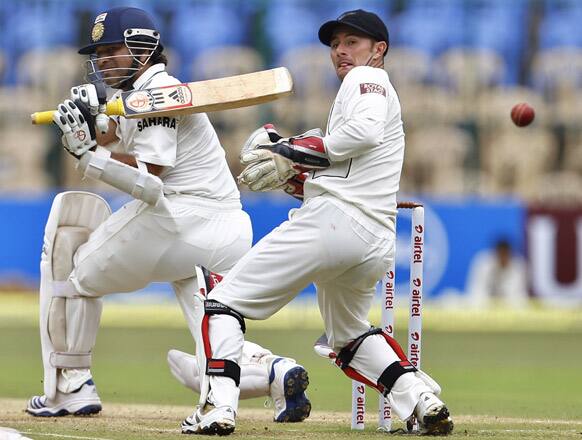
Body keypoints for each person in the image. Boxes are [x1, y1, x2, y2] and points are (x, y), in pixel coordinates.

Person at [26, 6, 310, 424]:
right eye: (98, 53)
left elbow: (149, 183)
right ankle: (272, 372)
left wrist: (88, 156)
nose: (102, 61)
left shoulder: (159, 90)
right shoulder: (139, 92)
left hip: (178, 220)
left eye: (111, 50)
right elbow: (120, 135)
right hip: (226, 228)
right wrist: (92, 124)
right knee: (211, 337)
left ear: (141, 48)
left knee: (70, 260)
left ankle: (71, 386)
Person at [184, 9, 454, 436]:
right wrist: (300, 173)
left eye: (352, 43)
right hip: (373, 239)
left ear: (378, 50)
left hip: (334, 224)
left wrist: (293, 147)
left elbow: (360, 135)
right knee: (348, 338)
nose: (341, 52)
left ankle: (218, 406)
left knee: (224, 303)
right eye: (335, 45)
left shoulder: (369, 80)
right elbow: (349, 163)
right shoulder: (368, 90)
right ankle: (421, 400)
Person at [465, 239, 529, 308]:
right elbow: (475, 290)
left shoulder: (518, 266)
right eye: (500, 255)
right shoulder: (483, 263)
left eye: (505, 255)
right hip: (485, 307)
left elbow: (519, 295)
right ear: (495, 254)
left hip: (509, 309)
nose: (503, 258)